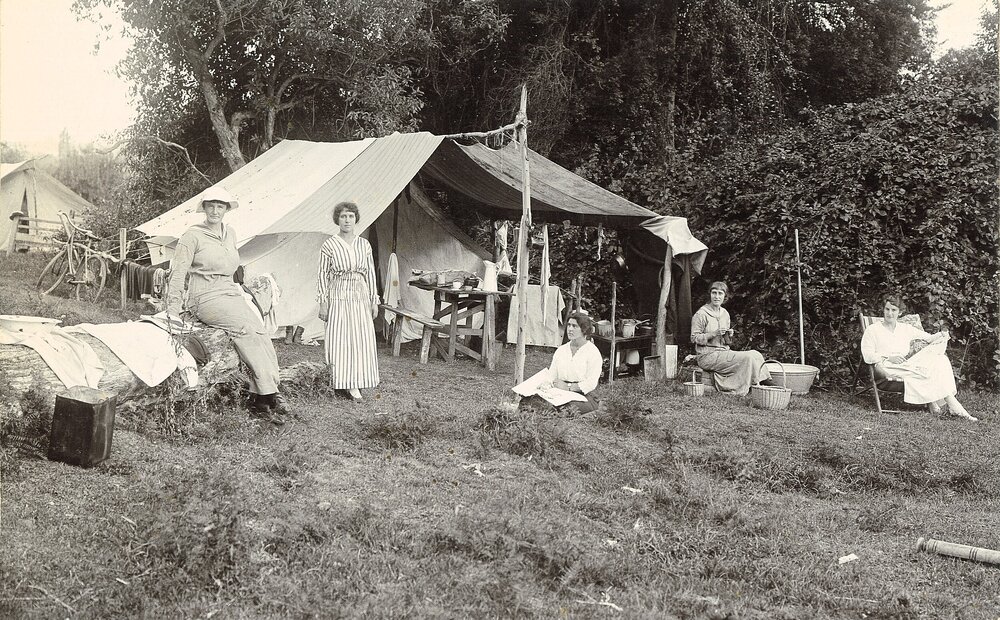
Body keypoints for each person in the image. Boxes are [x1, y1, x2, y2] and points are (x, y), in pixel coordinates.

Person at [165, 187, 289, 425]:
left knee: (260, 330)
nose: (215, 210)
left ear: (226, 209)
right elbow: (178, 273)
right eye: (210, 205)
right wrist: (172, 310)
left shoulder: (230, 233)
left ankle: (269, 392)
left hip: (229, 292)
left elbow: (232, 267)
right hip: (204, 297)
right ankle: (263, 399)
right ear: (204, 208)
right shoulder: (191, 236)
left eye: (220, 206)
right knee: (245, 330)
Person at [861, 295, 976, 421]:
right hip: (886, 367)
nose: (889, 313)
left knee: (940, 359)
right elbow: (867, 355)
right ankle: (951, 405)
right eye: (887, 309)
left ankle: (943, 403)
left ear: (900, 312)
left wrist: (941, 335)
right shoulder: (873, 330)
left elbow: (928, 338)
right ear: (883, 309)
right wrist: (889, 357)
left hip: (906, 365)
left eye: (894, 310)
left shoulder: (905, 329)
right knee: (926, 372)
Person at [316, 201, 380, 401]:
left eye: (351, 216)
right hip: (338, 294)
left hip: (359, 294)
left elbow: (370, 274)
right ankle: (340, 381)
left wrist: (373, 300)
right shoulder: (330, 245)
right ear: (337, 219)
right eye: (343, 216)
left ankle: (357, 380)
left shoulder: (364, 244)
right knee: (339, 336)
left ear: (356, 219)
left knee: (360, 336)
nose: (347, 220)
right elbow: (322, 275)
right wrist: (323, 302)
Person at [690, 281, 770, 396]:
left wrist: (728, 335)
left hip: (723, 353)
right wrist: (713, 334)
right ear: (710, 294)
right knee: (747, 357)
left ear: (725, 296)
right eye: (714, 293)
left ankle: (764, 382)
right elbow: (694, 338)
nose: (717, 297)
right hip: (707, 356)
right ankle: (757, 386)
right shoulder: (701, 314)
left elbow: (726, 341)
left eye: (720, 294)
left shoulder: (725, 314)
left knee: (756, 354)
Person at [516, 312, 603, 414]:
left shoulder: (592, 352)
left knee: (564, 408)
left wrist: (568, 387)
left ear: (584, 330)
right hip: (560, 391)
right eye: (569, 325)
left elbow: (591, 383)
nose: (570, 329)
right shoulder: (561, 350)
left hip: (584, 395)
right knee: (529, 399)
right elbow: (552, 375)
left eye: (574, 326)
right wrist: (544, 385)